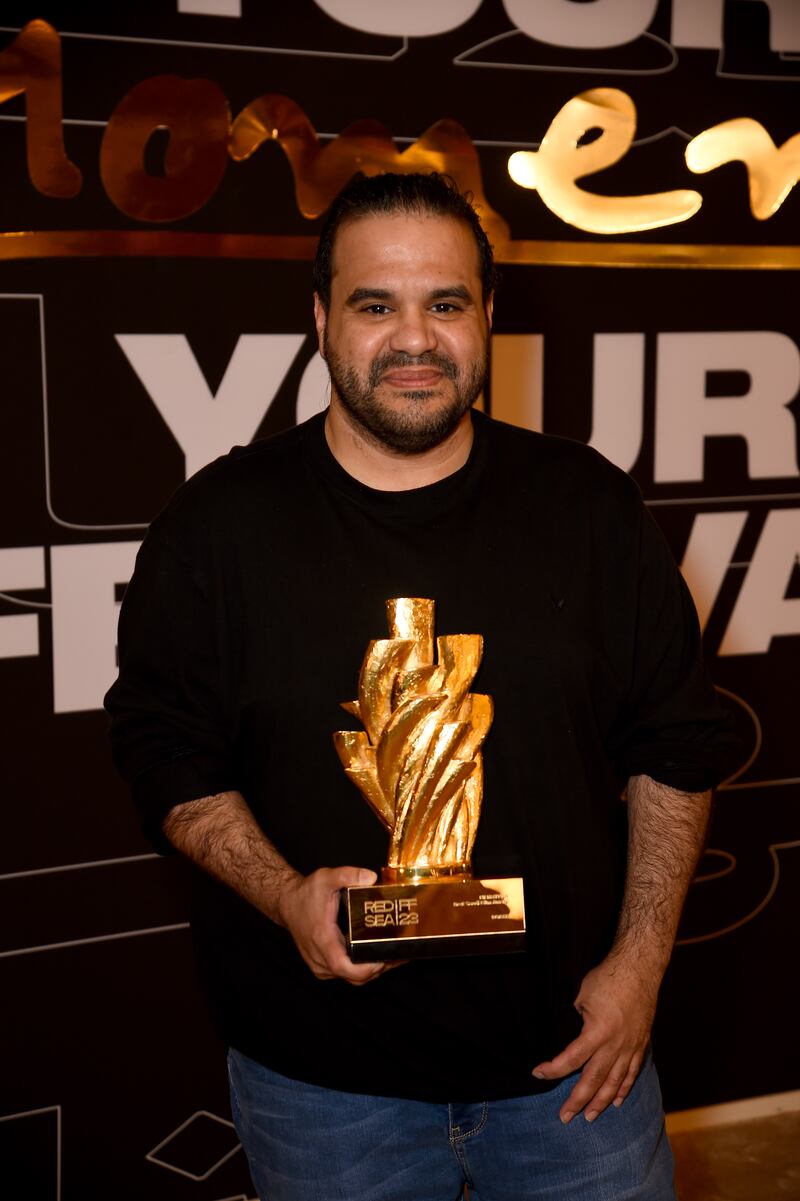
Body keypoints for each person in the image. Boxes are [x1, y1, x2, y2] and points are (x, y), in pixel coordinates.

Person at [105, 171, 735, 1201]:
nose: (413, 338)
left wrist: (639, 966)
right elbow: (162, 752)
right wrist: (284, 893)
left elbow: (675, 747)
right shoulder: (217, 528)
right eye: (374, 305)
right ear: (318, 319)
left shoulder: (586, 507)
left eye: (444, 303)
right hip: (320, 1089)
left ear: (487, 316)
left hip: (572, 1070)